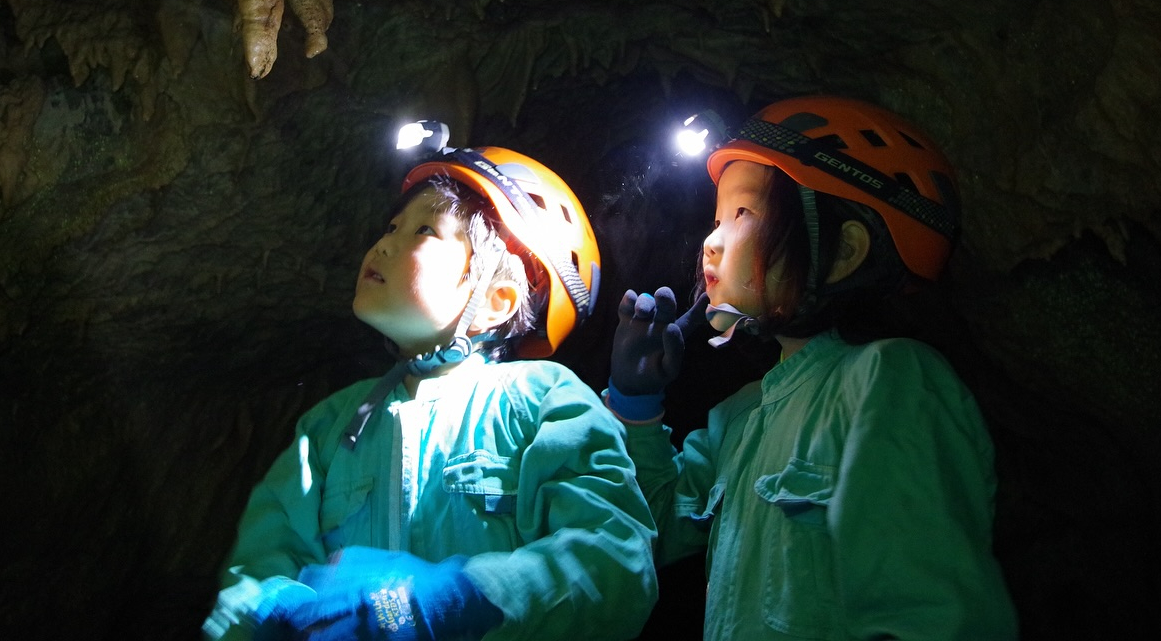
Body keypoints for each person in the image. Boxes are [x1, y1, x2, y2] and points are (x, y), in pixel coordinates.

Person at [203, 141, 659, 641]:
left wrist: (461, 598)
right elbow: (258, 563)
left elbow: (615, 558)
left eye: (424, 230)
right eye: (392, 227)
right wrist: (276, 609)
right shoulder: (331, 423)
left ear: (495, 300)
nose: (384, 244)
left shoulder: (543, 399)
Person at [606, 95, 1018, 640]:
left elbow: (929, 617)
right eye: (716, 218)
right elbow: (644, 536)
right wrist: (636, 405)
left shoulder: (889, 379)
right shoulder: (740, 416)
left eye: (743, 214)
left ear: (844, 251)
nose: (710, 241)